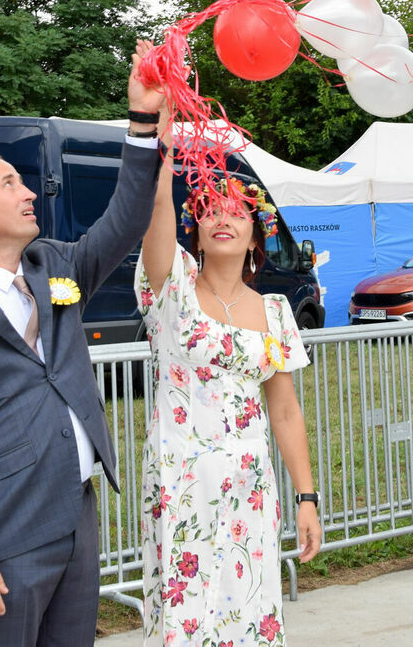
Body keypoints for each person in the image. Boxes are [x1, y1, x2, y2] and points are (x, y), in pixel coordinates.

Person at [0, 41, 165, 647]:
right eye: (10, 182)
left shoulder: (55, 266)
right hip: (9, 532)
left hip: (78, 515)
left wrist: (143, 123)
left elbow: (124, 220)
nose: (28, 193)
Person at [136, 121, 322, 647]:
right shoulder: (169, 288)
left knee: (250, 615)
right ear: (195, 227)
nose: (223, 218)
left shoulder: (277, 311)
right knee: (185, 620)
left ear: (256, 234)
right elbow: (157, 222)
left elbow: (284, 412)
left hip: (251, 487)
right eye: (212, 210)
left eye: (238, 213)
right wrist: (162, 161)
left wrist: (306, 497)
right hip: (180, 487)